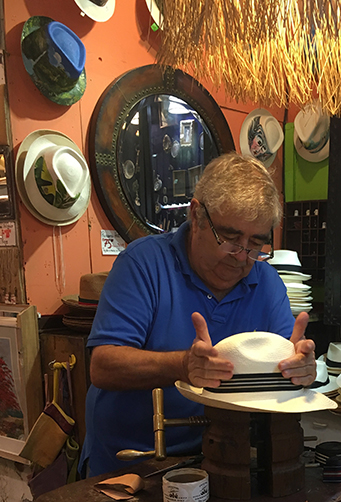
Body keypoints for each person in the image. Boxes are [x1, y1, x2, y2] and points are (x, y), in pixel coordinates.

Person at [80, 153, 316, 477]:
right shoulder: (143, 264)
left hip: (221, 460)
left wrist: (300, 369)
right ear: (196, 215)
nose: (242, 257)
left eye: (256, 244)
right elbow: (103, 366)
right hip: (129, 466)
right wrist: (183, 366)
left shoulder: (267, 284)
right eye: (230, 239)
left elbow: (284, 369)